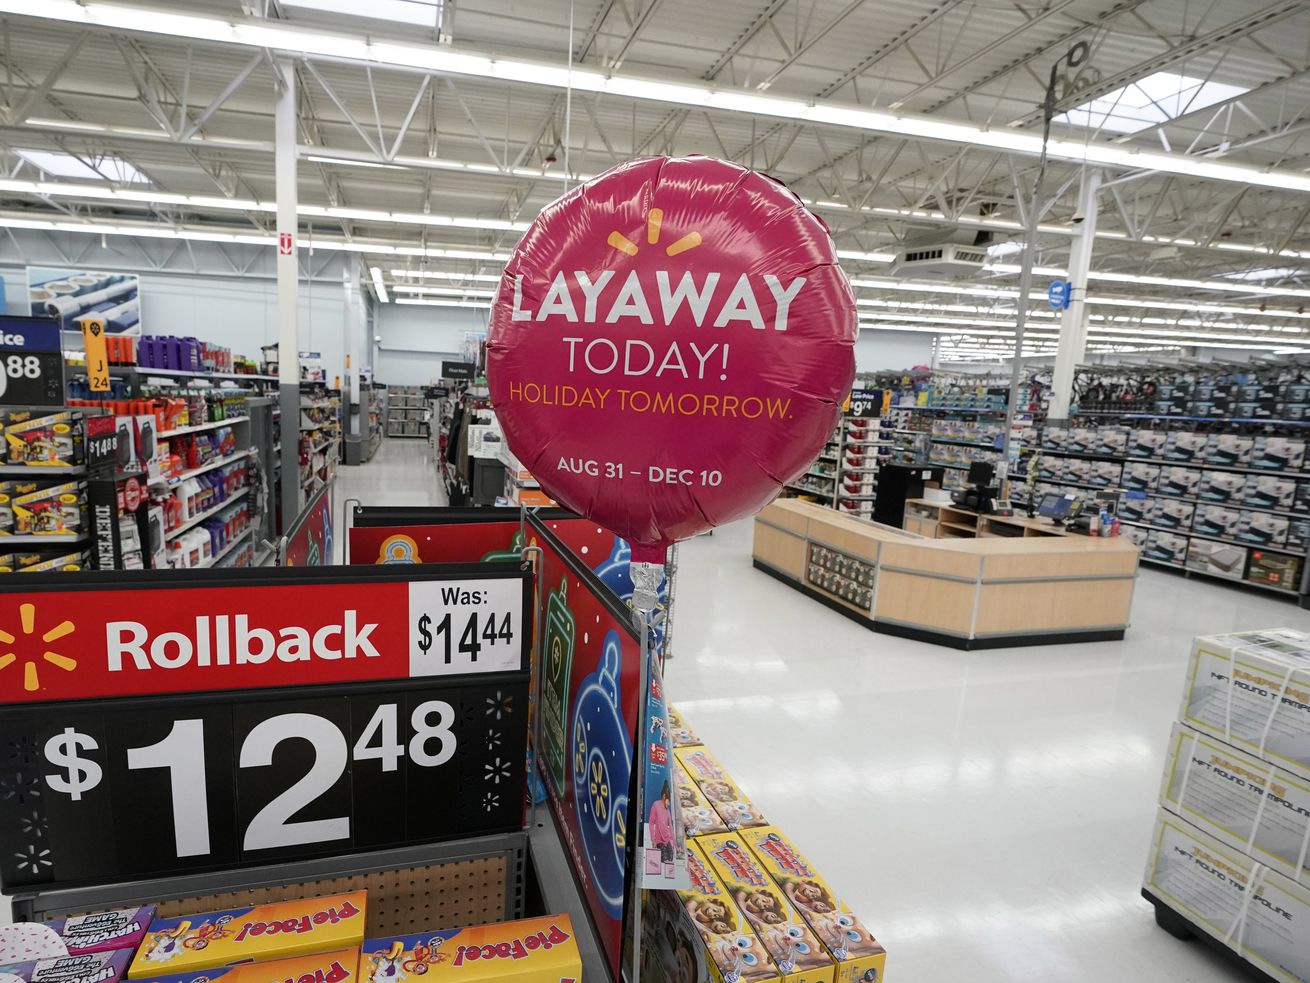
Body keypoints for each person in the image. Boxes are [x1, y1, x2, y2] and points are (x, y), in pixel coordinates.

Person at [649, 779, 675, 863]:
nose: (669, 803)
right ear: (664, 796)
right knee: (664, 858)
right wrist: (653, 840)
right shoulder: (656, 805)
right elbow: (651, 823)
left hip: (667, 839)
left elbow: (670, 827)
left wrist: (675, 844)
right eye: (668, 800)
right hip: (659, 840)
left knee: (671, 858)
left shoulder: (668, 810)